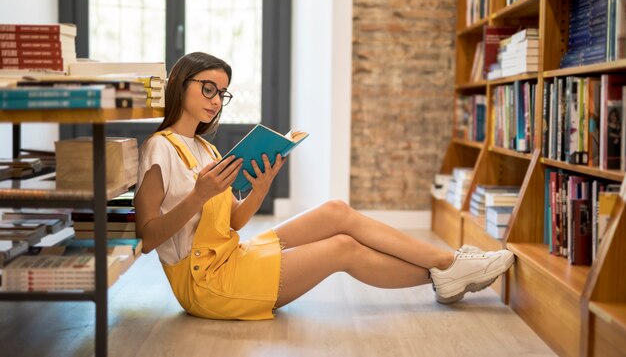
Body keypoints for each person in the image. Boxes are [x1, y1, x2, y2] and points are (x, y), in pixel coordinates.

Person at [134, 51, 515, 321]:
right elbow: (148, 238)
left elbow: (231, 223)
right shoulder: (159, 148)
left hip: (231, 255)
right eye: (208, 89)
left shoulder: (206, 147)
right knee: (342, 249)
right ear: (181, 85)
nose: (216, 101)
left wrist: (262, 187)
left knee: (336, 210)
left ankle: (448, 269)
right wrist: (199, 195)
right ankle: (449, 268)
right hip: (207, 284)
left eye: (222, 93)